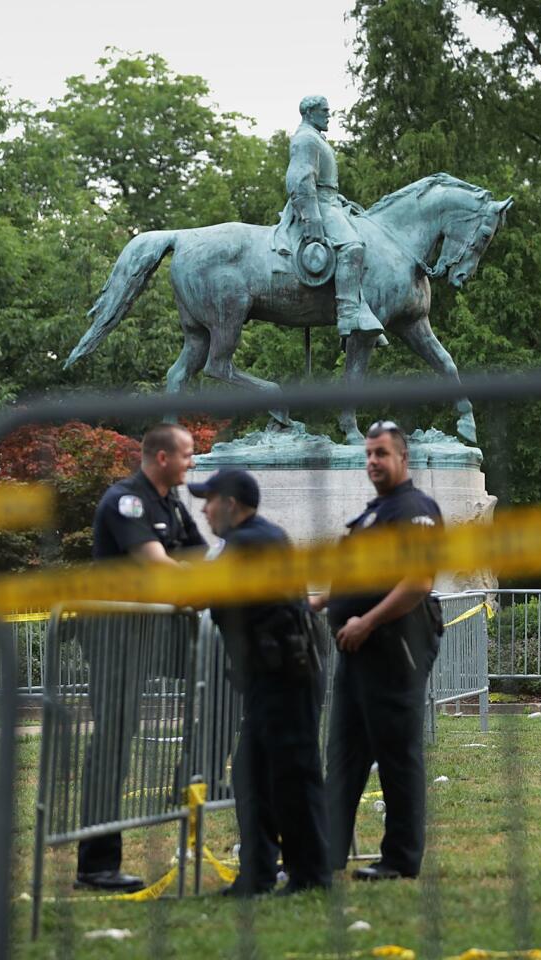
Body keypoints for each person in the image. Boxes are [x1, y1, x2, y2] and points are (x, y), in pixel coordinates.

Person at [75, 422, 207, 893]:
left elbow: (198, 555)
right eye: (188, 453)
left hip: (158, 626)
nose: (194, 461)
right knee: (114, 737)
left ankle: (192, 778)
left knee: (223, 677)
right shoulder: (125, 500)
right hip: (115, 629)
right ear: (163, 458)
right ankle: (96, 863)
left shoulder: (170, 502)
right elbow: (159, 563)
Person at [190, 468, 332, 896]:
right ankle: (259, 873)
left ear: (231, 504)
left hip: (283, 678)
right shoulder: (263, 536)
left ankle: (309, 875)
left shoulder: (248, 542)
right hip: (276, 676)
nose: (203, 508)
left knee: (291, 776)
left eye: (209, 499)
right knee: (254, 775)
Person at [313, 421, 443, 881]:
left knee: (396, 754)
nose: (372, 462)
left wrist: (366, 621)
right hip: (357, 651)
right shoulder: (374, 513)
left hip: (395, 647)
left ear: (403, 458)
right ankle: (323, 856)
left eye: (381, 454)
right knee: (343, 754)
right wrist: (320, 602)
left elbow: (418, 582)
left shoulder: (415, 511)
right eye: (368, 454)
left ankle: (400, 859)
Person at [285, 94, 383, 336]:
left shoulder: (317, 138)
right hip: (318, 207)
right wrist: (312, 218)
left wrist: (338, 199)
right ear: (309, 113)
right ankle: (348, 313)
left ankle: (364, 309)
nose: (329, 115)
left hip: (330, 203)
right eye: (324, 111)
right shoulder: (306, 139)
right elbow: (300, 180)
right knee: (352, 247)